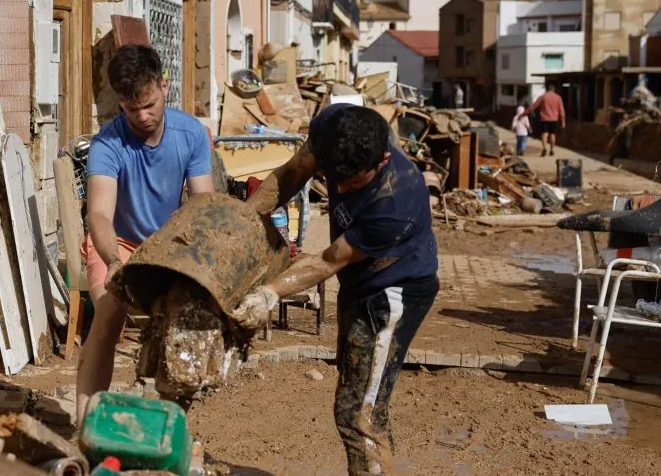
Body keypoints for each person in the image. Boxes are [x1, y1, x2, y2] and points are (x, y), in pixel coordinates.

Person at [239, 104, 439, 475]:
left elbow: (330, 259)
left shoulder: (396, 201)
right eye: (335, 178)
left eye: (353, 183)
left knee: (357, 412)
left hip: (393, 292)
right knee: (359, 391)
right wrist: (244, 221)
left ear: (381, 159)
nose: (342, 190)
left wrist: (270, 292)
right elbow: (293, 173)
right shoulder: (333, 128)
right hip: (360, 283)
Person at [76, 45, 214, 423]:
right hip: (117, 243)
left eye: (148, 104)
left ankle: (167, 424)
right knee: (107, 310)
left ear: (163, 85)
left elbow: (203, 206)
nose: (141, 116)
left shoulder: (192, 134)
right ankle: (85, 426)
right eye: (130, 107)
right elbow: (100, 216)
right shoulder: (107, 143)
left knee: (185, 324)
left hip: (169, 244)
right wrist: (115, 264)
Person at [522, 85, 567, 156]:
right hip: (554, 119)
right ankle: (552, 150)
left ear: (547, 89)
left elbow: (534, 106)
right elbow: (561, 110)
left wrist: (525, 113)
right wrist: (563, 120)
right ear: (554, 90)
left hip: (544, 118)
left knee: (544, 133)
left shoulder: (543, 97)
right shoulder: (558, 97)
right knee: (552, 134)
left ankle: (545, 148)